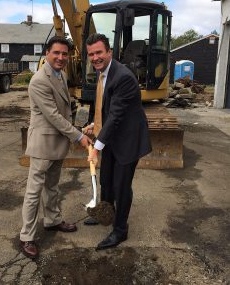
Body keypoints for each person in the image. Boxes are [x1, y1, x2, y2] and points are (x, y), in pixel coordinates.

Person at [20, 36, 92, 259]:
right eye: (56, 53)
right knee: (34, 192)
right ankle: (27, 236)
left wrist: (80, 125)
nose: (61, 57)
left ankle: (52, 220)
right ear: (47, 54)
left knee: (52, 186)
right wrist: (78, 135)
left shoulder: (61, 74)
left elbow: (65, 109)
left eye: (64, 53)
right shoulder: (39, 80)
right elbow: (52, 115)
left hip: (57, 141)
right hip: (43, 143)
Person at [84, 33, 152, 250]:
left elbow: (116, 116)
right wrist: (93, 126)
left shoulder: (122, 76)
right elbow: (103, 108)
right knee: (106, 180)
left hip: (128, 140)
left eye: (99, 52)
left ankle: (120, 230)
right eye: (91, 54)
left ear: (109, 52)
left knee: (121, 186)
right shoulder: (102, 73)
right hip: (112, 137)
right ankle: (105, 213)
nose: (95, 58)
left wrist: (96, 147)